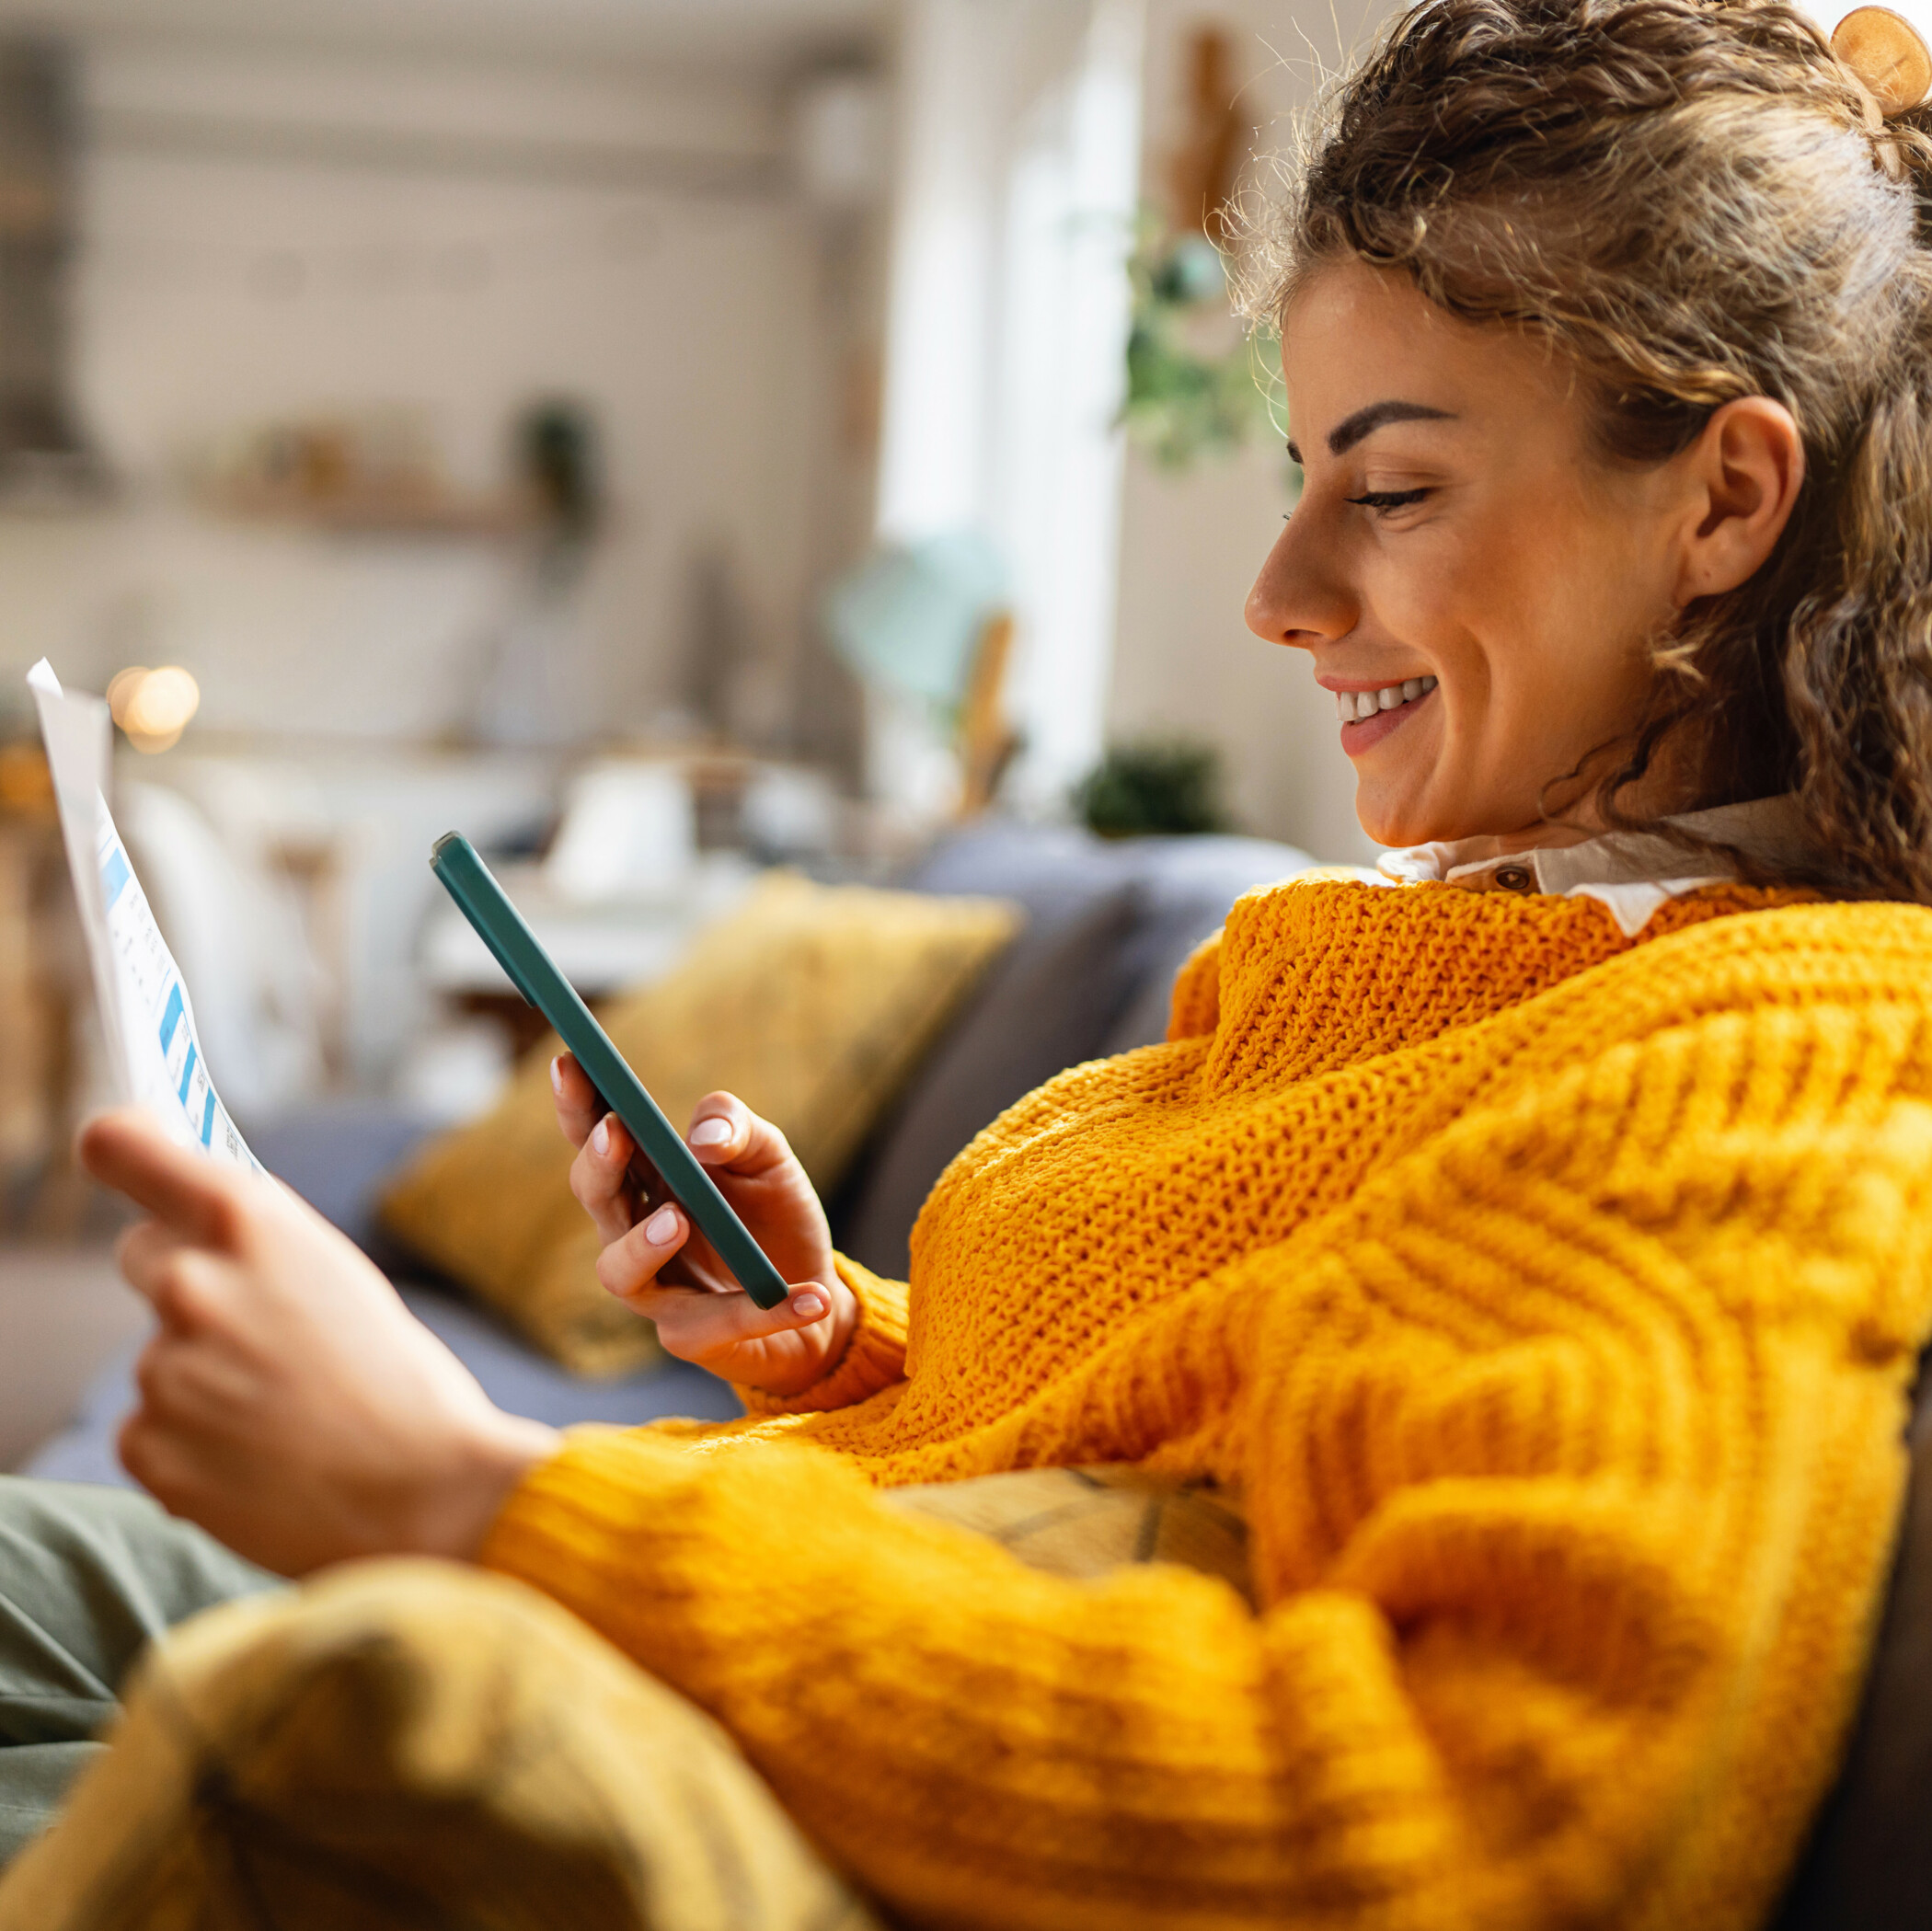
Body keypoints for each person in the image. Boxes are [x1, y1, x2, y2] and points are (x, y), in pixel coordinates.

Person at [6, 0, 1932, 1923]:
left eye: (1395, 488)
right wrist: (836, 1342)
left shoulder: (1752, 1065)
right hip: (747, 1594)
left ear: (1723, 502)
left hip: (703, 1735)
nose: (1279, 596)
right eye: (1297, 472)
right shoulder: (1441, 959)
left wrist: (466, 1496)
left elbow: (1463, 1826)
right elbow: (1194, 1427)